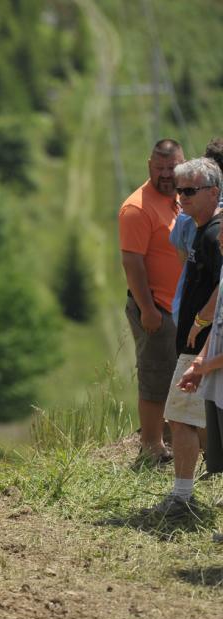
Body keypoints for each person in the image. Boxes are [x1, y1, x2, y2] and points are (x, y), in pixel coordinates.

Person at [144, 158, 222, 517]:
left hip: (204, 346)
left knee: (180, 417)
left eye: (189, 191)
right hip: (200, 343)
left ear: (213, 192)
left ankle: (182, 498)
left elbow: (221, 289)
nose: (182, 197)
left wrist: (201, 323)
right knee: (191, 418)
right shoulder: (200, 228)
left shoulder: (214, 234)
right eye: (179, 191)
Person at [119, 139, 185, 464]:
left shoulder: (178, 199)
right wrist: (148, 310)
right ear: (149, 166)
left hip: (179, 306)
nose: (165, 175)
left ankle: (171, 437)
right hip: (156, 308)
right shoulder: (137, 208)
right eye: (159, 168)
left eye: (171, 168)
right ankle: (151, 445)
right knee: (155, 377)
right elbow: (132, 262)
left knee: (177, 376)